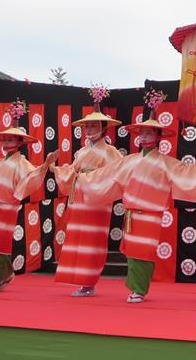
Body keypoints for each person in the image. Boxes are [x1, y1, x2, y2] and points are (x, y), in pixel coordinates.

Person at [79, 90, 196, 303]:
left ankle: (140, 290)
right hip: (132, 213)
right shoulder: (130, 160)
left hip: (151, 214)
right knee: (133, 252)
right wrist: (83, 178)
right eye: (141, 133)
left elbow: (184, 172)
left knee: (144, 252)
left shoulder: (165, 161)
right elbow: (108, 174)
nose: (144, 137)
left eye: (149, 133)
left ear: (158, 137)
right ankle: (136, 288)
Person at [51, 86, 123, 297]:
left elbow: (117, 173)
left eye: (94, 126)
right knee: (79, 238)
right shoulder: (82, 151)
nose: (90, 130)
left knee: (92, 240)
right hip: (80, 198)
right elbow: (72, 172)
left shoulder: (111, 152)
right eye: (87, 126)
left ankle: (89, 282)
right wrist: (55, 168)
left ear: (103, 128)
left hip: (97, 200)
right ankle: (80, 280)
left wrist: (95, 180)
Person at [0, 100, 58, 291]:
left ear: (19, 142)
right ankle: (6, 275)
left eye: (11, 140)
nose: (7, 142)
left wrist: (44, 165)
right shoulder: (0, 162)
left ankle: (3, 276)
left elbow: (33, 176)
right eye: (5, 139)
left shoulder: (21, 163)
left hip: (8, 206)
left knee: (2, 244)